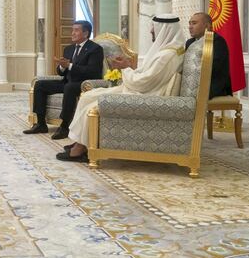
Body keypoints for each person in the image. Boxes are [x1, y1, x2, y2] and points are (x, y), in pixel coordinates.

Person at [57, 14, 185, 163]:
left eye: (154, 29)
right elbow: (148, 75)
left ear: (165, 30)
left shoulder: (168, 55)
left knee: (91, 106)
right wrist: (130, 66)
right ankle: (82, 142)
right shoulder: (167, 51)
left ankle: (80, 149)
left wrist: (125, 68)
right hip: (143, 89)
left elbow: (143, 82)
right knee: (87, 96)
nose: (151, 31)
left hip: (147, 94)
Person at [24, 20, 104, 139]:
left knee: (69, 88)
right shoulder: (69, 49)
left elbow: (93, 71)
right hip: (67, 81)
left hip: (84, 84)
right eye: (72, 30)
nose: (72, 33)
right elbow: (61, 72)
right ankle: (40, 123)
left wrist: (70, 66)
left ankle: (65, 126)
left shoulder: (95, 49)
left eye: (76, 30)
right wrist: (62, 66)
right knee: (40, 84)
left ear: (86, 33)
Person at [186, 12, 232, 99]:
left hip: (213, 86)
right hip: (193, 83)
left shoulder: (217, 41)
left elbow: (215, 67)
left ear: (207, 26)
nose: (190, 27)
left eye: (194, 23)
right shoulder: (190, 42)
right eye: (190, 23)